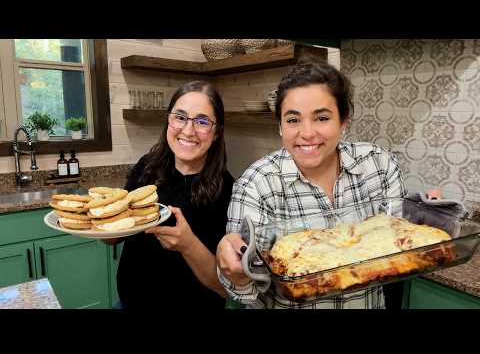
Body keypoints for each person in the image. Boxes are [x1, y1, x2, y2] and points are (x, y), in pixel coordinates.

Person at [216, 61, 413, 309]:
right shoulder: (257, 184)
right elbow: (244, 291)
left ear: (343, 122)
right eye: (293, 120)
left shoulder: (379, 165)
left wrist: (427, 215)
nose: (307, 133)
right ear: (280, 126)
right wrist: (236, 271)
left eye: (321, 117)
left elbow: (401, 248)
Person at [104, 80, 234, 309]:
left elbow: (224, 287)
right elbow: (115, 235)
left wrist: (188, 244)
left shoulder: (229, 191)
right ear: (169, 120)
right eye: (180, 117)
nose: (188, 130)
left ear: (216, 133)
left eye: (202, 121)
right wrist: (100, 222)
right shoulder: (148, 167)